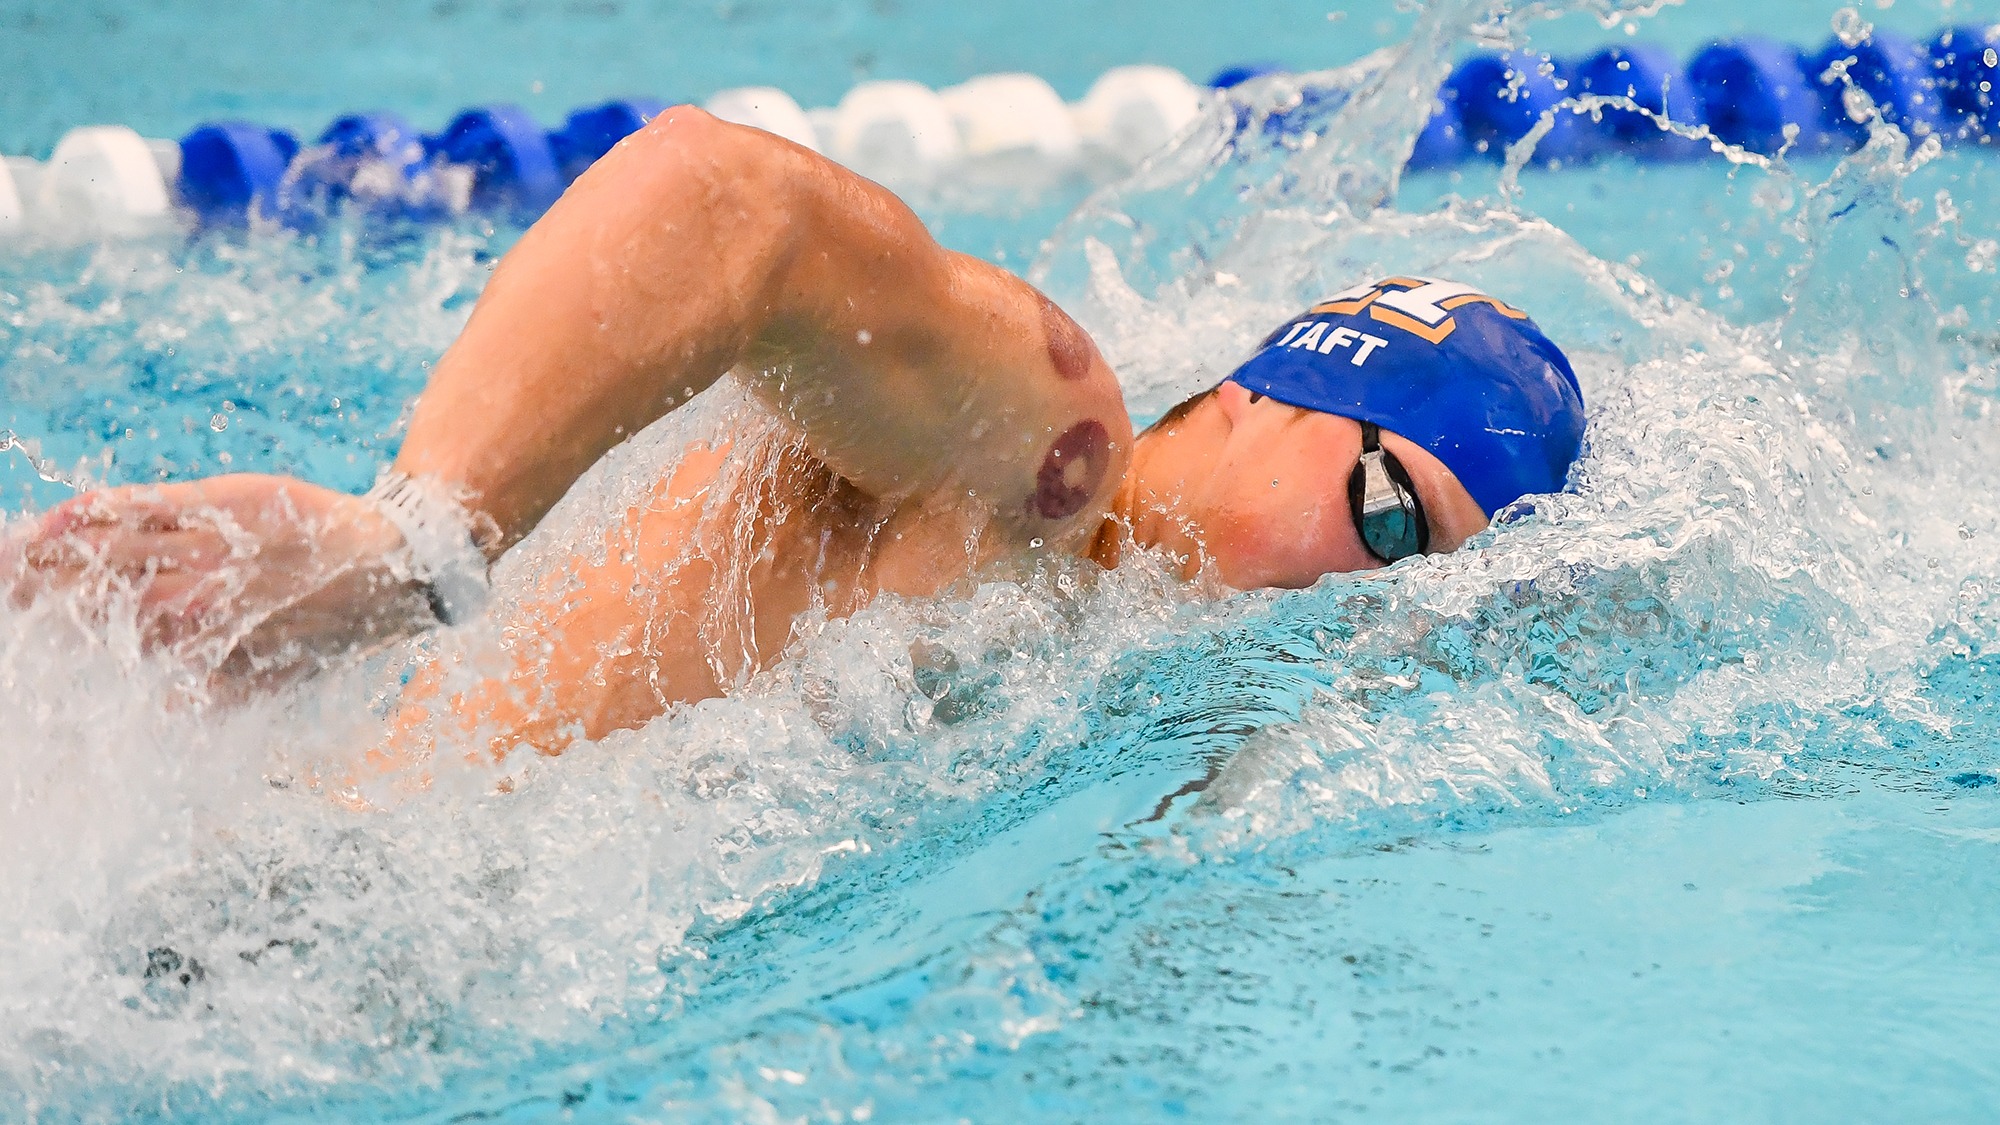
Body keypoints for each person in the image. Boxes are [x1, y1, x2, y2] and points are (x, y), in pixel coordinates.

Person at [3, 107, 1585, 760]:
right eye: (1394, 522)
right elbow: (727, 195)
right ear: (1263, 395)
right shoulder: (1046, 453)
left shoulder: (1110, 634)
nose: (1372, 596)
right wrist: (415, 542)